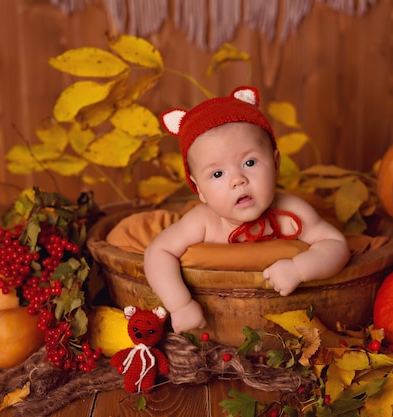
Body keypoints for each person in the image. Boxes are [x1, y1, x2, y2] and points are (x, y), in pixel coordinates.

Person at [144, 86, 350, 334]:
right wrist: (179, 304)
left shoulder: (291, 212)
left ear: (275, 163)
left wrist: (299, 268)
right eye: (217, 174)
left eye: (249, 162)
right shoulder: (202, 222)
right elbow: (158, 251)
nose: (238, 180)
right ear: (199, 190)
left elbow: (335, 243)